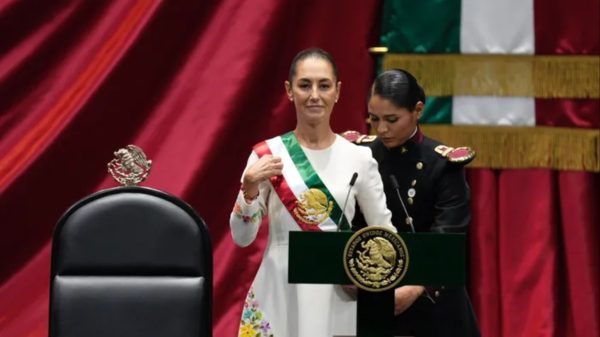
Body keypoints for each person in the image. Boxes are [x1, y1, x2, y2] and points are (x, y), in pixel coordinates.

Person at [229, 48, 395, 337]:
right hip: (280, 291)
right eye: (305, 85)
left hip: (339, 295)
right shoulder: (266, 155)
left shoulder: (360, 159)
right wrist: (250, 187)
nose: (314, 95)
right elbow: (242, 238)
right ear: (289, 91)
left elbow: (385, 236)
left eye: (324, 85)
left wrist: (366, 278)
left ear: (338, 91)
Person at [348, 69, 481, 336]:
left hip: (433, 305)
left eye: (392, 119)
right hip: (371, 299)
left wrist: (416, 286)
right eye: (374, 119)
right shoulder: (358, 155)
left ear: (417, 110)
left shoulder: (442, 164)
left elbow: (448, 236)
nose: (382, 129)